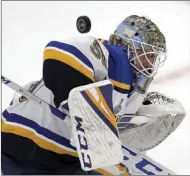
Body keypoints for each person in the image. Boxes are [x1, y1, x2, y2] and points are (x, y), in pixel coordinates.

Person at [2, 15, 171, 175]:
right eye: (147, 54)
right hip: (22, 144)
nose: (150, 63)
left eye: (154, 57)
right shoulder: (106, 54)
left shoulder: (135, 91)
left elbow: (115, 140)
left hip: (62, 162)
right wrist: (74, 102)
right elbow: (57, 56)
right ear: (127, 45)